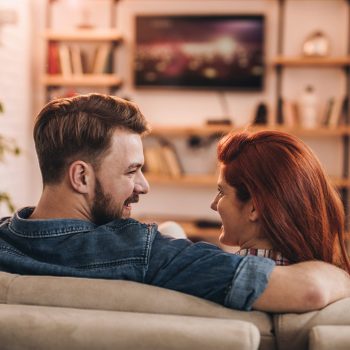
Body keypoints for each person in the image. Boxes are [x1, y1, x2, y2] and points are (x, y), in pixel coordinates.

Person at [0, 93, 349, 313]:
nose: (144, 185)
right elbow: (310, 289)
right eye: (132, 171)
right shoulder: (140, 252)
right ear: (81, 177)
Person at [211, 130, 350, 273]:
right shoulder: (333, 280)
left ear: (254, 208)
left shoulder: (217, 279)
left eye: (222, 192)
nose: (213, 205)